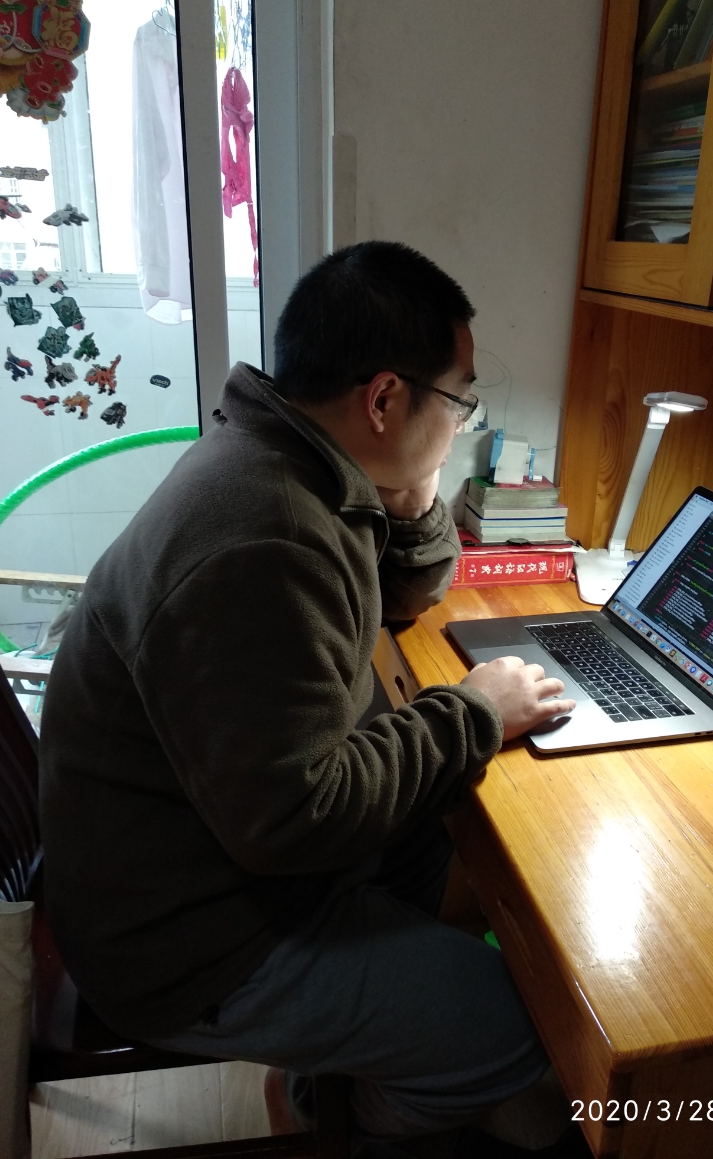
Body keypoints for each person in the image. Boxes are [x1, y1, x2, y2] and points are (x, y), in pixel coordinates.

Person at [39, 241, 576, 1155]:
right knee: (517, 1031)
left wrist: (417, 491)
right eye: (461, 399)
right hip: (187, 940)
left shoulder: (287, 460)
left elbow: (402, 595)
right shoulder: (264, 535)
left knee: (443, 833)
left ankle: (357, 1049)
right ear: (383, 399)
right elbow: (297, 817)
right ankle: (337, 1112)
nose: (466, 420)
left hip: (210, 862)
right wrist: (475, 710)